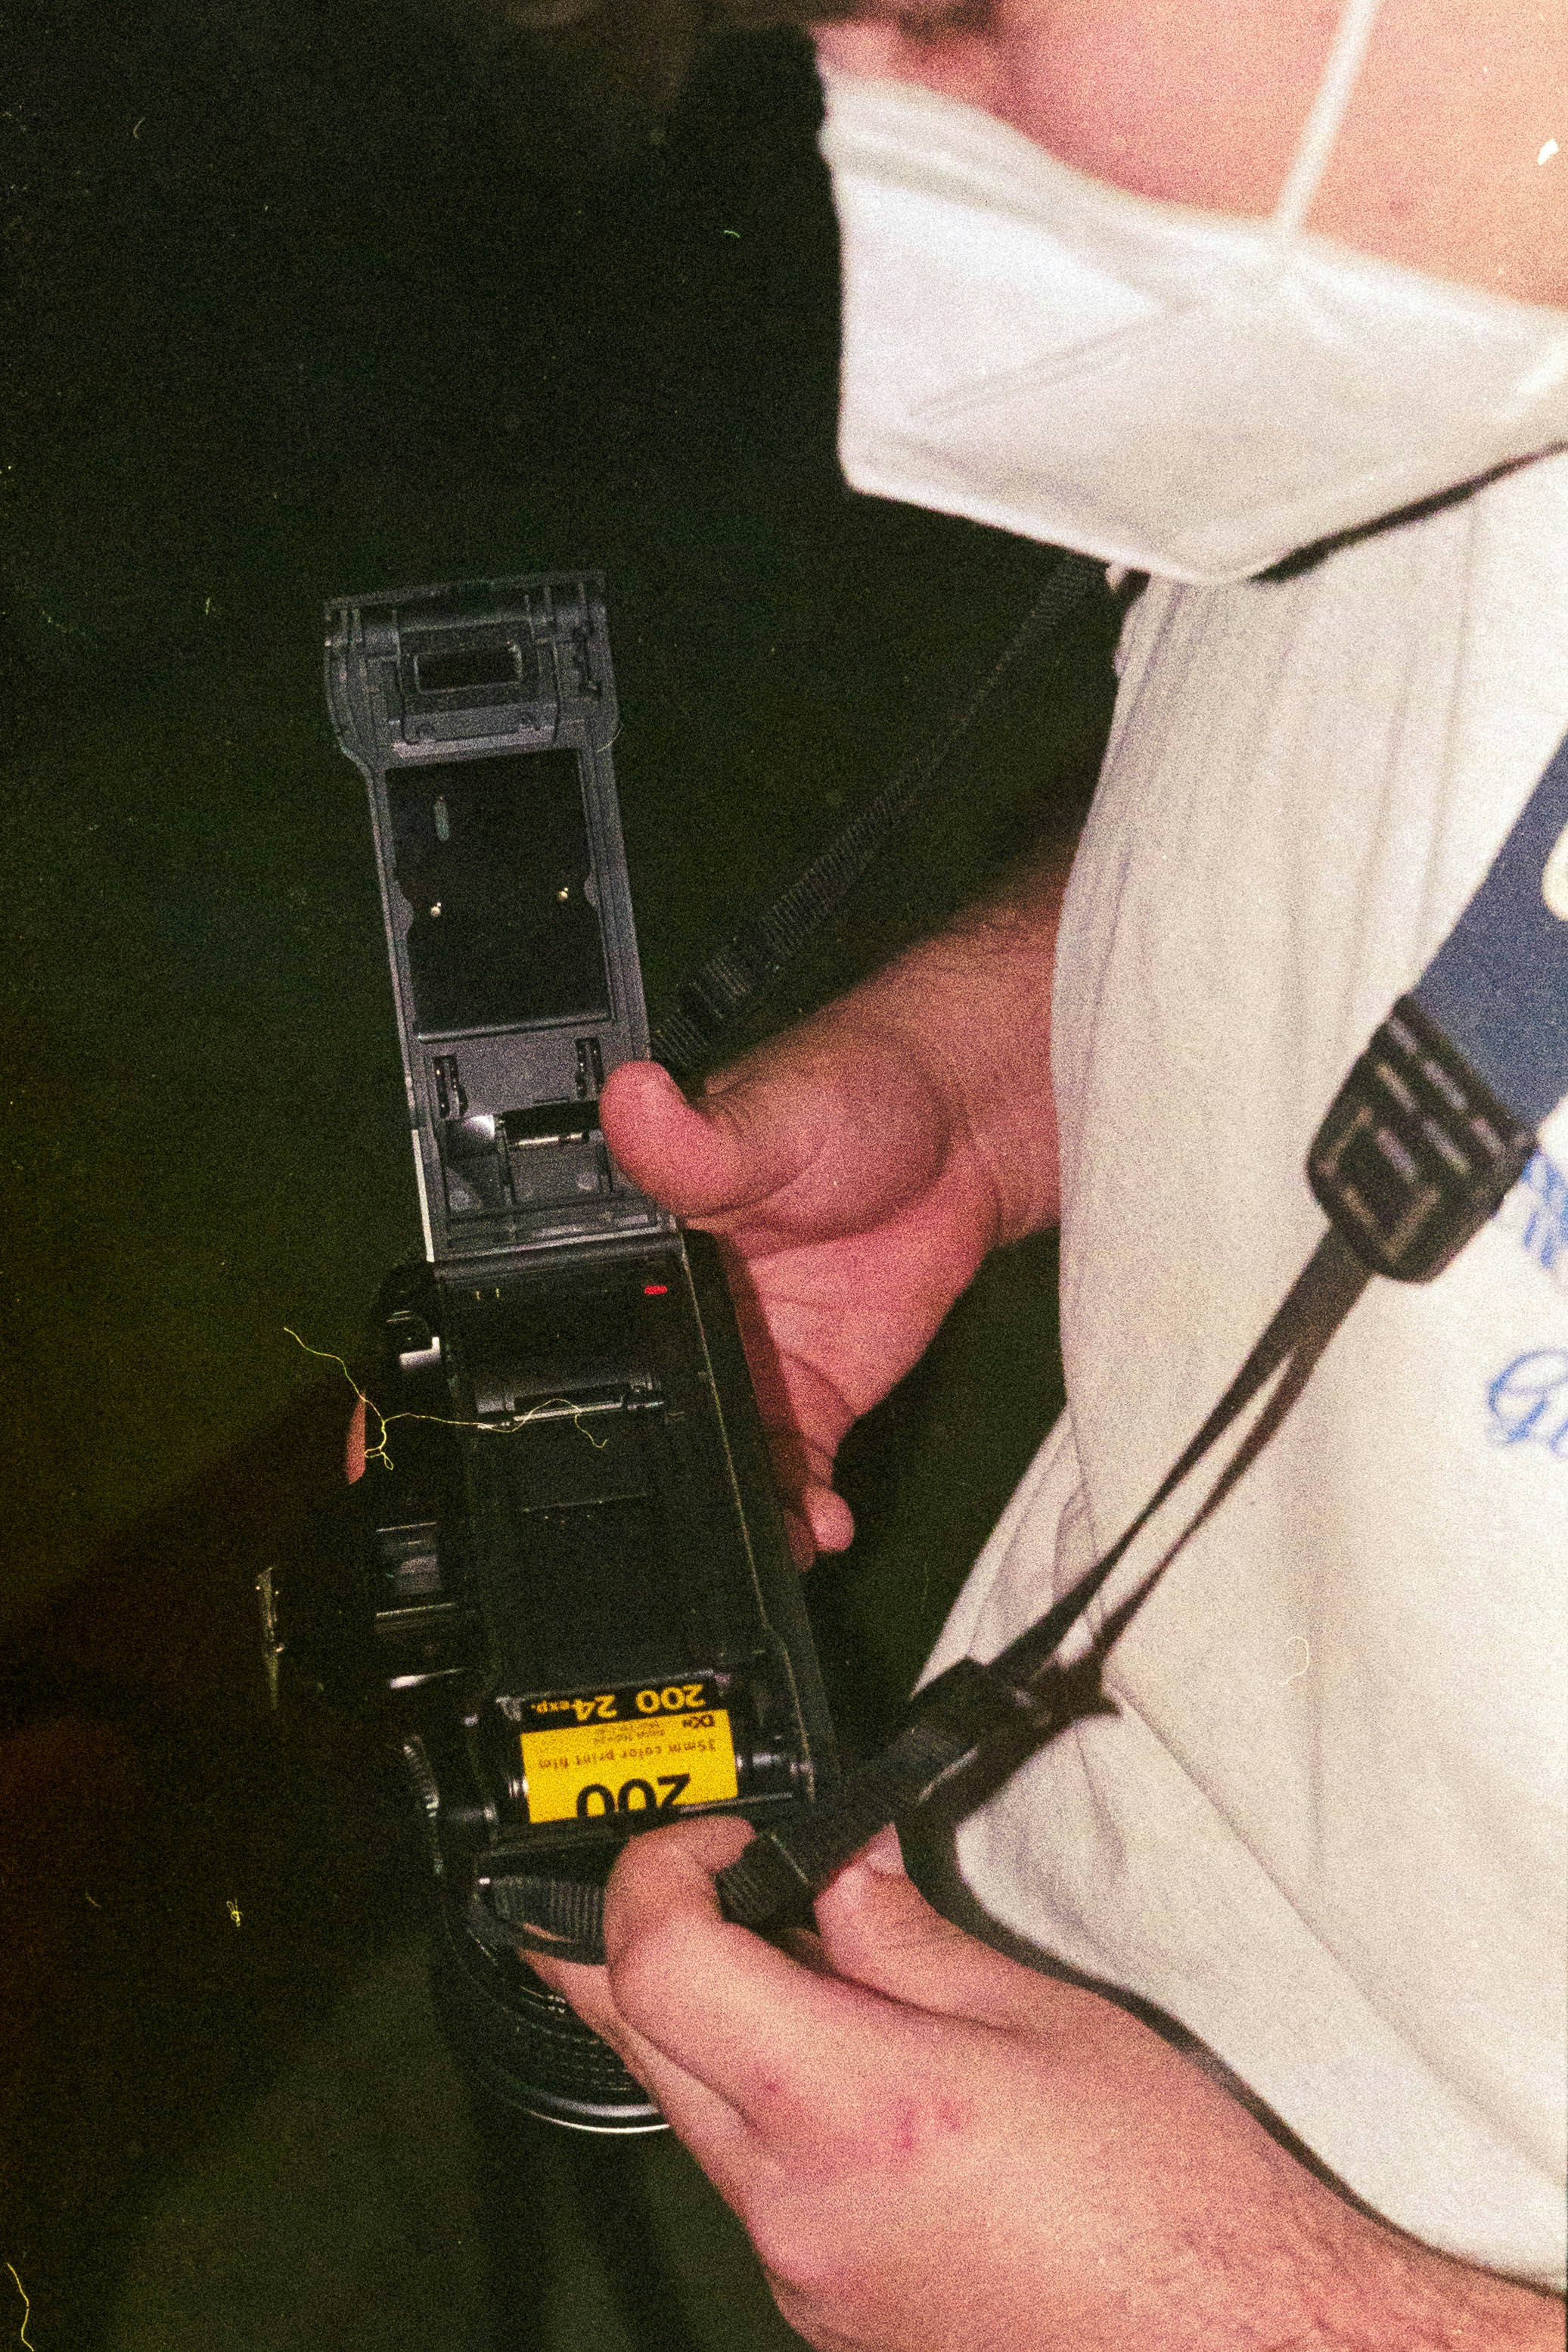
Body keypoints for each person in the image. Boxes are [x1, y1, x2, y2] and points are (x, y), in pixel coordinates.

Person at [519, 0, 1568, 2338]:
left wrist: (1277, 2318)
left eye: (962, 9)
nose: (880, 140)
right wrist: (990, 1076)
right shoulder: (1458, 222)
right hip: (1016, 2048)